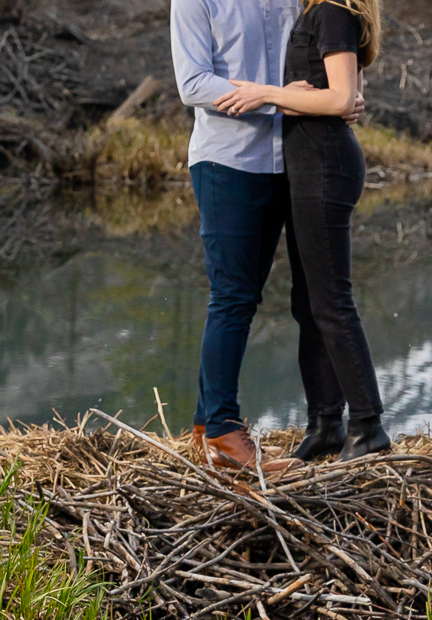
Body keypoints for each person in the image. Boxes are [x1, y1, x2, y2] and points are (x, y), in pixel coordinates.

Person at [170, 0, 365, 474]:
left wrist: (348, 96)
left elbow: (319, 67)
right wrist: (272, 96)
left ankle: (205, 426)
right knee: (233, 295)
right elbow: (192, 83)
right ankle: (221, 430)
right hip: (227, 162)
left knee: (275, 297)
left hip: (293, 163)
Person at [214, 0, 392, 462]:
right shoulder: (311, 12)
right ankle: (326, 424)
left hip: (325, 167)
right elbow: (336, 95)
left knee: (331, 300)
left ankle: (368, 425)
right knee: (309, 303)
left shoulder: (330, 12)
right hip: (309, 167)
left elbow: (337, 97)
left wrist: (267, 93)